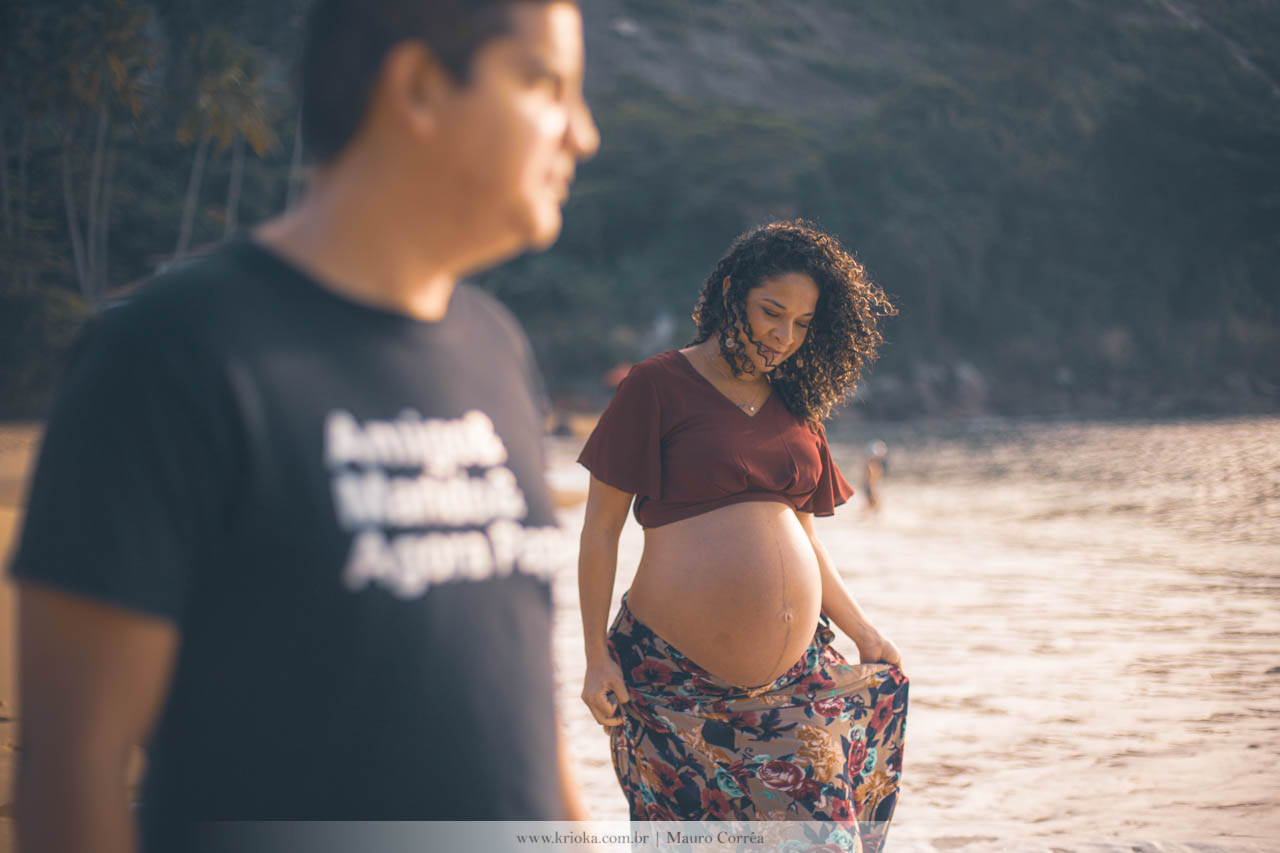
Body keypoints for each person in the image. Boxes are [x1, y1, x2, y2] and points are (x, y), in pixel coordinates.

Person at [9, 1, 599, 851]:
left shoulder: (493, 348)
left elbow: (530, 730)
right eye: (546, 84)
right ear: (421, 87)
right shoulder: (171, 354)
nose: (583, 134)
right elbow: (73, 777)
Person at [576, 221, 908, 849]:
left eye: (803, 323)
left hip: (796, 687)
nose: (784, 337)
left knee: (825, 839)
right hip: (674, 684)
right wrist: (595, 656)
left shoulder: (797, 405)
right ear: (732, 294)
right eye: (771, 313)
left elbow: (806, 541)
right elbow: (599, 533)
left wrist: (865, 631)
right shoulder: (656, 385)